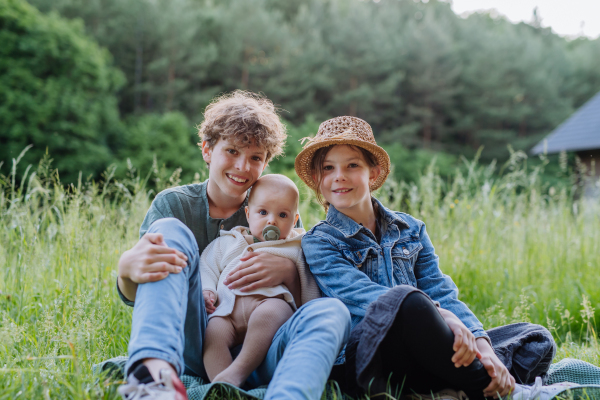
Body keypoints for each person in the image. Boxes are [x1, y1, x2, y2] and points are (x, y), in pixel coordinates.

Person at [295, 116, 564, 400]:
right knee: (407, 300)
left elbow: (440, 289)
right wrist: (442, 315)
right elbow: (367, 297)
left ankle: (458, 385)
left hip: (428, 344)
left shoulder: (411, 228)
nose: (339, 175)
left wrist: (482, 344)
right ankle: (496, 390)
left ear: (372, 174)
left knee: (535, 337)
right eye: (328, 168)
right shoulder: (320, 241)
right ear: (317, 179)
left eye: (352, 165)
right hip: (374, 357)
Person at [116, 92, 350, 400]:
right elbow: (145, 295)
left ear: (265, 164)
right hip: (196, 340)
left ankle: (287, 394)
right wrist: (126, 272)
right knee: (169, 231)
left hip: (267, 348)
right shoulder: (175, 205)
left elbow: (304, 296)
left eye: (255, 158)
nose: (242, 166)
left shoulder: (274, 210)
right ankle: (153, 376)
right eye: (231, 151)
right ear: (207, 150)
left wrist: (289, 274)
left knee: (332, 311)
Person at [201, 174, 321, 387]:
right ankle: (221, 385)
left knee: (272, 312)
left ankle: (237, 373)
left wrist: (303, 302)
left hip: (269, 306)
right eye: (263, 212)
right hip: (227, 312)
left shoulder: (296, 247)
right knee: (213, 334)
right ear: (248, 214)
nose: (272, 221)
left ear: (294, 220)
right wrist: (208, 290)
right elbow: (207, 266)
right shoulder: (230, 241)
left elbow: (309, 287)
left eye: (282, 215)